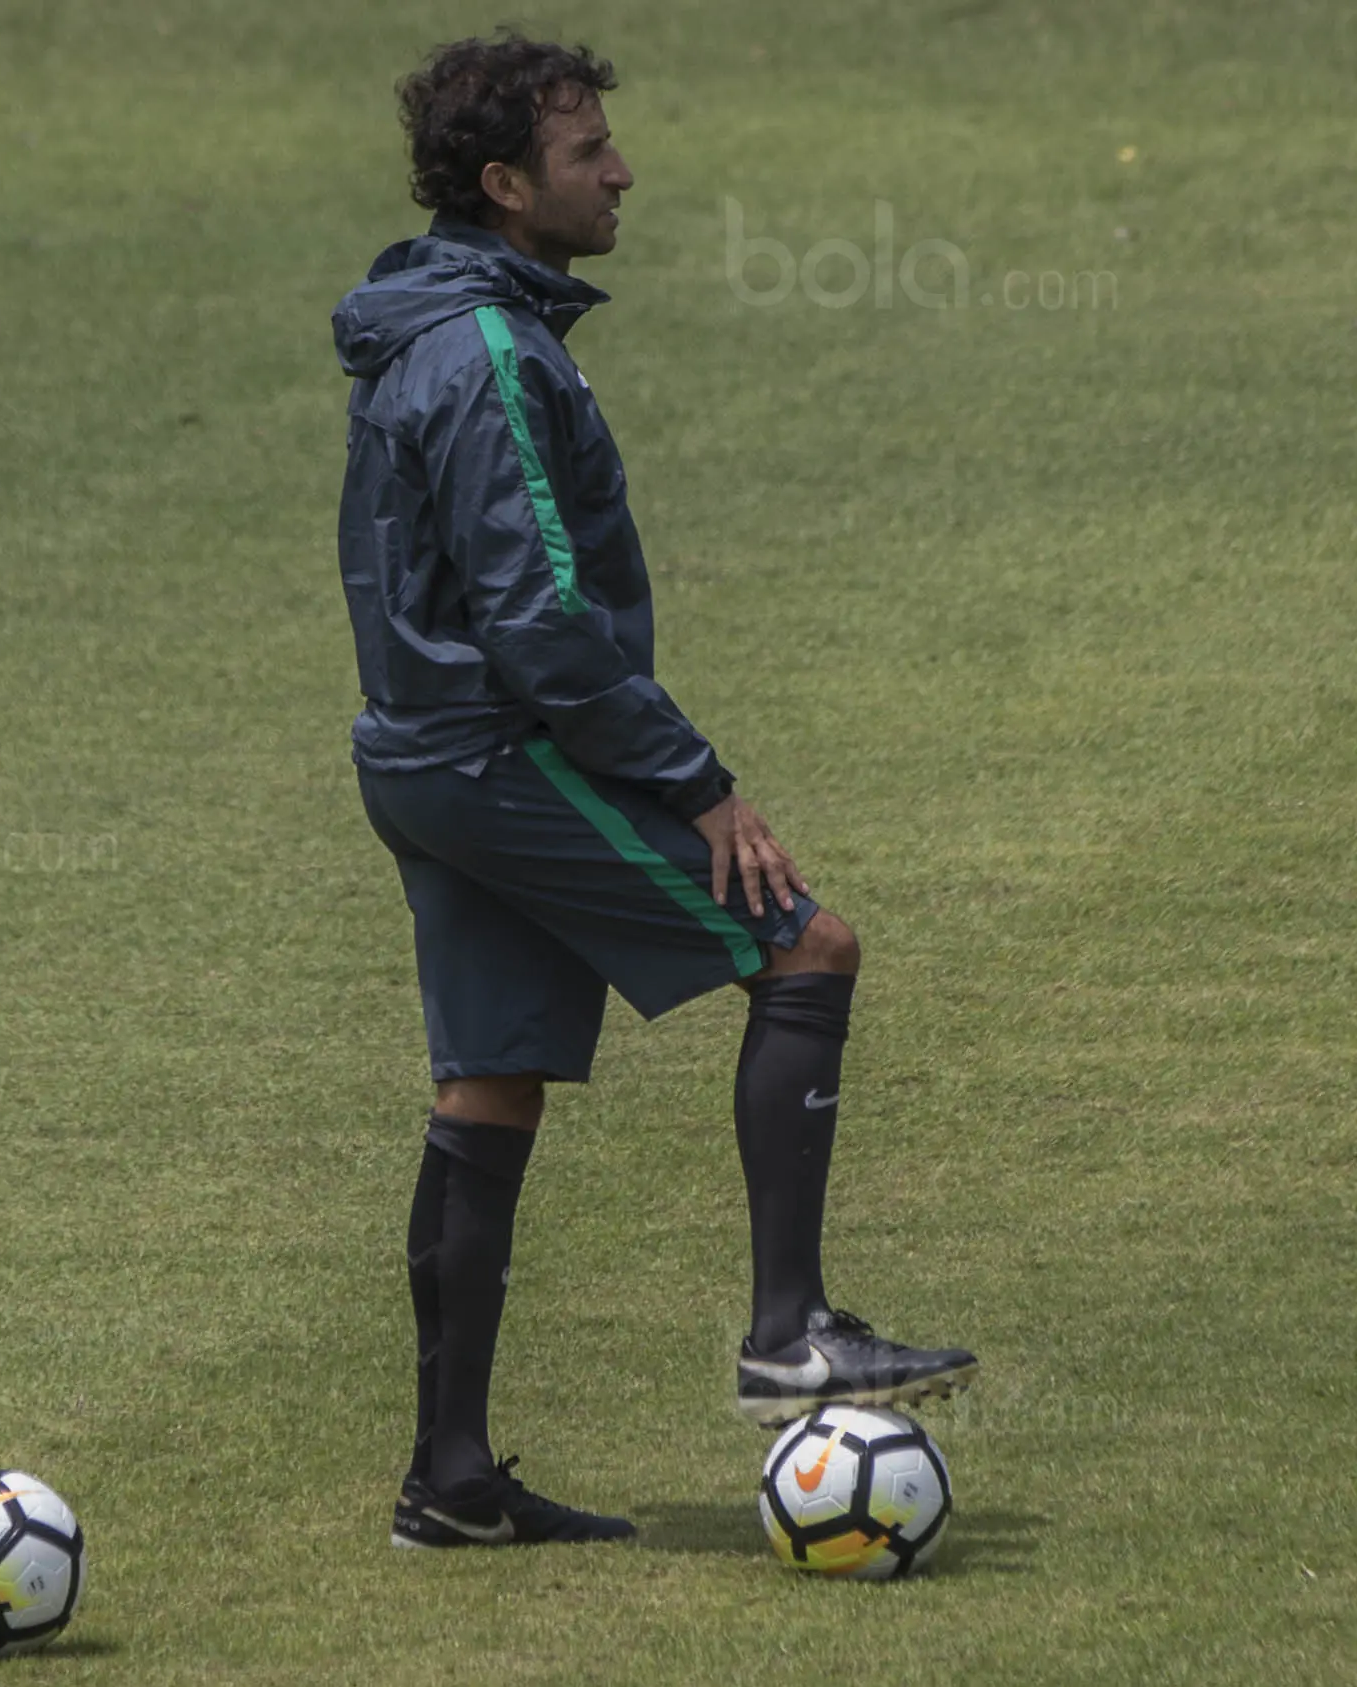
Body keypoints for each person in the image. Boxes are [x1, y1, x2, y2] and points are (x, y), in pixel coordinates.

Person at [330, 32, 977, 1548]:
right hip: (500, 753)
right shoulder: (486, 351)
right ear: (504, 184)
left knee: (488, 1084)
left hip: (424, 754)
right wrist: (700, 788)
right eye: (585, 154)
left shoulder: (437, 325)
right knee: (808, 945)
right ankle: (791, 1332)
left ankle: (453, 1478)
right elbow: (541, 619)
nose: (621, 172)